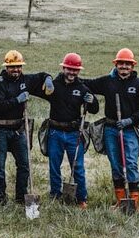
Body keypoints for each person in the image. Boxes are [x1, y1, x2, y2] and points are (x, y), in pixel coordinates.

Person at [0, 50, 54, 205]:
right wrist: (18, 100)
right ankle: (1, 199)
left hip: (19, 129)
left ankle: (21, 198)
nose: (16, 70)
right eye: (12, 67)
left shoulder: (25, 80)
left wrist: (48, 79)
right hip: (0, 129)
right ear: (6, 67)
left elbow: (41, 75)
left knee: (24, 165)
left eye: (19, 66)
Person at [84, 48, 139, 213]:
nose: (124, 67)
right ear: (116, 64)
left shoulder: (138, 85)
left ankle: (134, 203)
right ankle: (120, 202)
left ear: (132, 66)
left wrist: (130, 120)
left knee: (131, 164)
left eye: (128, 64)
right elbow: (86, 83)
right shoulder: (108, 82)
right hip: (111, 129)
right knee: (116, 165)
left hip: (130, 130)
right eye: (121, 63)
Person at [41, 53, 99, 208]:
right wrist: (46, 80)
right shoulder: (54, 85)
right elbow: (39, 89)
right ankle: (55, 195)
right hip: (55, 132)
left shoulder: (82, 88)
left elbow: (95, 109)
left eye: (75, 70)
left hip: (74, 133)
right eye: (69, 69)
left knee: (78, 166)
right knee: (54, 165)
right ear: (63, 68)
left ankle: (81, 198)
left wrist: (92, 101)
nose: (72, 73)